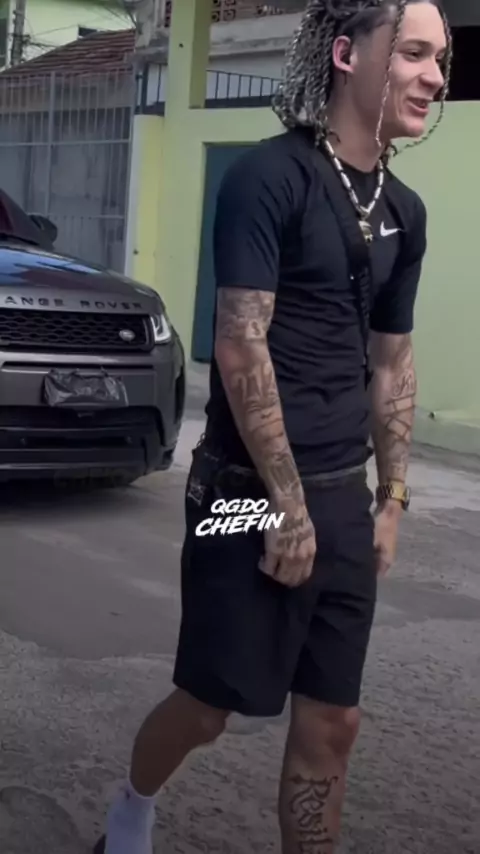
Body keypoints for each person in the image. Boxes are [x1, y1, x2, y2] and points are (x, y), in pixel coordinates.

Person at [95, 1, 451, 852]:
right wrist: (285, 505)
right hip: (243, 493)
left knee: (334, 722)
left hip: (343, 498)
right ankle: (130, 812)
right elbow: (239, 340)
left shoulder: (405, 211)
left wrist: (393, 498)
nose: (435, 77)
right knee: (210, 706)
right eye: (413, 53)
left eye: (441, 59)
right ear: (347, 55)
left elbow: (392, 362)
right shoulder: (269, 178)